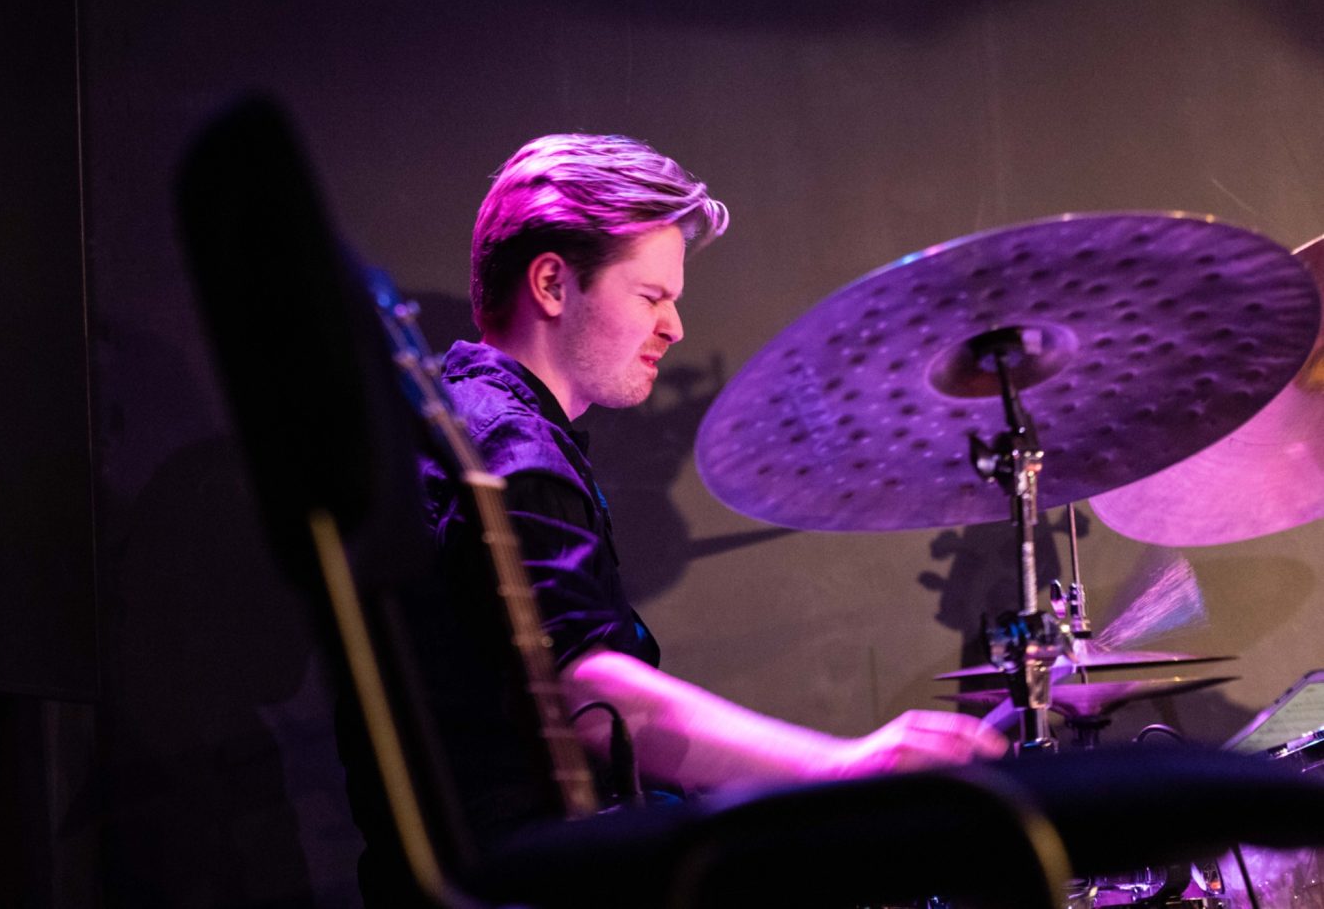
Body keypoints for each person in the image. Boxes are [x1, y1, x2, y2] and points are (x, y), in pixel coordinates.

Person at [346, 133, 1008, 906]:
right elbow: (589, 697)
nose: (675, 326)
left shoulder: (468, 425)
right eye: (651, 296)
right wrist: (844, 766)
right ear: (553, 283)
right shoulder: (512, 451)